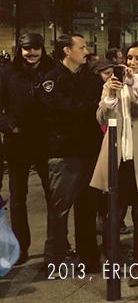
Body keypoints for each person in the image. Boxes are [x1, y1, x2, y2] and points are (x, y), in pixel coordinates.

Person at [90, 41, 138, 287]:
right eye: (129, 58)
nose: (131, 62)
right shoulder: (112, 83)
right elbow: (100, 118)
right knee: (115, 212)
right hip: (118, 157)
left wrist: (135, 85)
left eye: (137, 58)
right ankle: (111, 258)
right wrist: (110, 96)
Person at [40, 33, 103, 272]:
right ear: (67, 51)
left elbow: (100, 104)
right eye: (82, 47)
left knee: (88, 208)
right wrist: (89, 107)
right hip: (64, 153)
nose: (86, 51)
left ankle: (89, 255)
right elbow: (63, 109)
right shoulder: (51, 80)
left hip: (90, 150)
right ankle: (55, 259)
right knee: (60, 208)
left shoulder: (91, 78)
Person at [0, 34, 56, 265]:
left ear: (42, 49)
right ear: (20, 50)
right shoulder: (8, 73)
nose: (31, 53)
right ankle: (21, 247)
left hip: (47, 142)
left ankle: (57, 244)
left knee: (54, 196)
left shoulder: (53, 71)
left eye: (35, 48)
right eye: (26, 49)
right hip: (18, 143)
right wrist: (9, 126)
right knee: (17, 199)